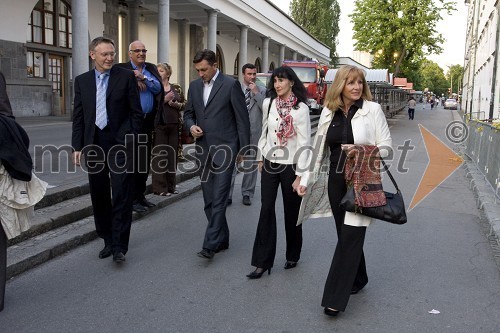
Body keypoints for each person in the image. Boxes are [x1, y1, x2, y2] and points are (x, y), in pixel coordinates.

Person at [296, 65, 392, 316]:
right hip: (336, 182)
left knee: (350, 238)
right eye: (350, 83)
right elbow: (318, 150)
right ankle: (359, 279)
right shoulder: (329, 111)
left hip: (361, 182)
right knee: (345, 235)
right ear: (340, 85)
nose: (356, 87)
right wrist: (304, 177)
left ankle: (334, 299)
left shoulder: (373, 110)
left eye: (359, 82)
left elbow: (387, 147)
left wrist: (360, 150)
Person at [72, 37, 143, 263]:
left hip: (120, 143)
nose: (110, 58)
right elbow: (79, 117)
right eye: (104, 54)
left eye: (112, 53)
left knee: (122, 193)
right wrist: (77, 146)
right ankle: (107, 240)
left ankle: (120, 246)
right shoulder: (82, 81)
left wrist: (130, 138)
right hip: (94, 144)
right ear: (93, 54)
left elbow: (136, 112)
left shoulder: (125, 78)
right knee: (99, 193)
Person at [183, 49, 250, 259]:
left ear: (214, 65)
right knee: (209, 199)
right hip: (203, 150)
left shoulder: (230, 85)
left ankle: (209, 245)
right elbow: (188, 114)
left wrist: (243, 149)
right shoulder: (194, 86)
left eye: (204, 69)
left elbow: (242, 120)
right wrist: (191, 126)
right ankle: (223, 239)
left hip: (226, 149)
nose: (200, 74)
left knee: (220, 198)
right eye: (198, 70)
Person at [246, 66, 311, 279]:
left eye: (281, 80)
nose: (277, 85)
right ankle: (262, 262)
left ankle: (293, 253)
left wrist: (301, 175)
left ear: (291, 82)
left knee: (291, 213)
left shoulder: (301, 109)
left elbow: (305, 144)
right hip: (269, 162)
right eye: (275, 81)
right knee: (266, 209)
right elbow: (264, 132)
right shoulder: (269, 103)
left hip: (291, 165)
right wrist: (259, 157)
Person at [116, 40, 163, 213]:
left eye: (144, 50)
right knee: (131, 163)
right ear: (130, 53)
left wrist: (143, 77)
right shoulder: (121, 69)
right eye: (137, 51)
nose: (141, 53)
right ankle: (131, 199)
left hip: (147, 122)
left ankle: (140, 196)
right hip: (129, 124)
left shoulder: (150, 69)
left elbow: (158, 88)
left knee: (143, 163)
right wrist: (132, 79)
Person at [228, 63, 266, 206]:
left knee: (250, 166)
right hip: (236, 133)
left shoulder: (262, 90)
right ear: (243, 74)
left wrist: (256, 92)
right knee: (232, 164)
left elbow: (266, 109)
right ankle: (227, 195)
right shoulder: (234, 90)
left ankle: (247, 193)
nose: (252, 77)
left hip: (254, 134)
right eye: (249, 74)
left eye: (254, 74)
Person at [151, 63, 185, 196]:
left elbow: (185, 104)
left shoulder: (176, 88)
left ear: (168, 73)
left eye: (161, 71)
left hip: (175, 126)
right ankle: (160, 188)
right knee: (160, 157)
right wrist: (164, 100)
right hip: (160, 126)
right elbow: (152, 107)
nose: (159, 73)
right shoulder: (155, 88)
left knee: (172, 157)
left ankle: (171, 186)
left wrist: (176, 104)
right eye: (157, 71)